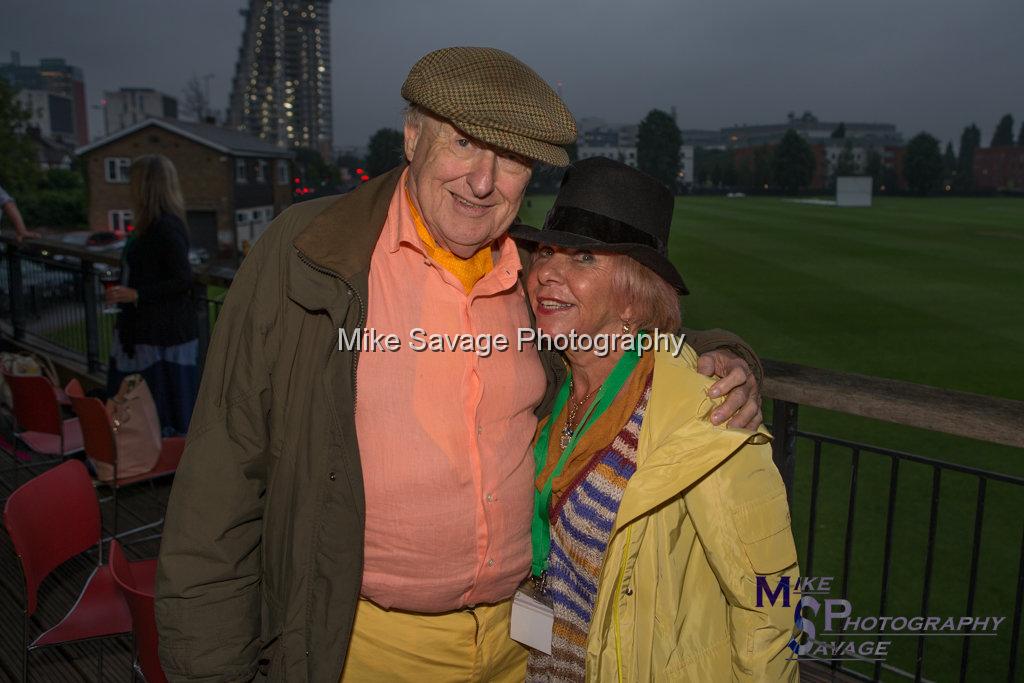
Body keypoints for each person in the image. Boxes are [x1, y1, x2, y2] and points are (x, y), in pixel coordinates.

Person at [155, 47, 764, 682]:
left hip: (522, 646)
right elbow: (221, 480)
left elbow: (628, 332)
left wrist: (728, 358)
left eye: (512, 159)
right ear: (412, 137)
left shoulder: (532, 275)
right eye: (466, 144)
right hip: (364, 647)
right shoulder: (309, 255)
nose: (482, 181)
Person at [511, 157, 798, 682]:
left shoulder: (706, 414)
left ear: (633, 301)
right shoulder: (545, 379)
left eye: (582, 258)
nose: (547, 272)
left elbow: (771, 599)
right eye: (546, 252)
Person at [105, 154, 198, 435]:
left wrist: (137, 294)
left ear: (145, 186)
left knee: (163, 403)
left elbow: (183, 279)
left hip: (162, 336)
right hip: (145, 333)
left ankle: (162, 456)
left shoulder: (165, 227)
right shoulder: (151, 226)